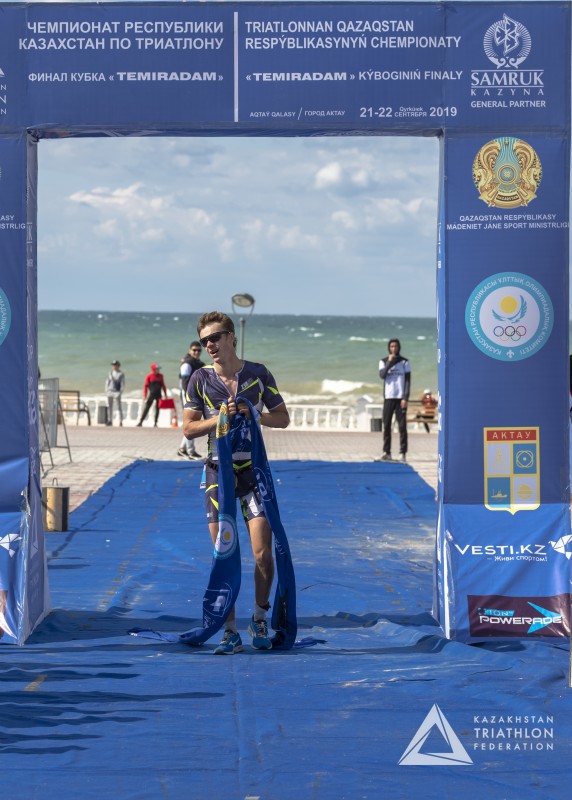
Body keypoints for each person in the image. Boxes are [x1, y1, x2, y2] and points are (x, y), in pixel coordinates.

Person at [183, 310, 290, 655]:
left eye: (215, 338)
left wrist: (257, 414)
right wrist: (218, 418)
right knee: (224, 556)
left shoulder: (258, 374)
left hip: (253, 474)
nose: (209, 345)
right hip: (218, 475)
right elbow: (188, 428)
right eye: (204, 341)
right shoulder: (199, 379)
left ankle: (259, 618)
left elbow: (283, 418)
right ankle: (229, 631)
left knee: (262, 554)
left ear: (231, 337)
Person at [376, 338, 411, 461]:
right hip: (388, 397)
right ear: (389, 348)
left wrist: (405, 398)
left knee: (402, 427)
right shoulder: (383, 361)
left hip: (400, 399)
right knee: (386, 426)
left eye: (396, 346)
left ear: (399, 347)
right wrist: (389, 363)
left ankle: (402, 453)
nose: (394, 348)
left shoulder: (404, 362)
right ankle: (387, 452)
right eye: (391, 346)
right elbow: (382, 375)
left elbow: (408, 381)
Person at [177, 342, 204, 459]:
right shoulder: (187, 364)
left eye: (199, 350)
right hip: (188, 396)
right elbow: (184, 383)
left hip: (196, 396)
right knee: (191, 423)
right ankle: (191, 451)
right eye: (194, 350)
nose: (196, 352)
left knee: (193, 422)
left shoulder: (200, 364)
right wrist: (190, 398)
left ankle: (182, 449)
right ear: (189, 350)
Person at [105, 360, 125, 426]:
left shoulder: (121, 374)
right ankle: (110, 420)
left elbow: (122, 383)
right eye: (113, 365)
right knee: (109, 406)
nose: (113, 366)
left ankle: (120, 421)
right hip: (110, 391)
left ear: (118, 366)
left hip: (117, 392)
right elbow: (107, 382)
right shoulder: (110, 373)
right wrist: (106, 390)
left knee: (118, 407)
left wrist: (120, 392)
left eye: (115, 365)